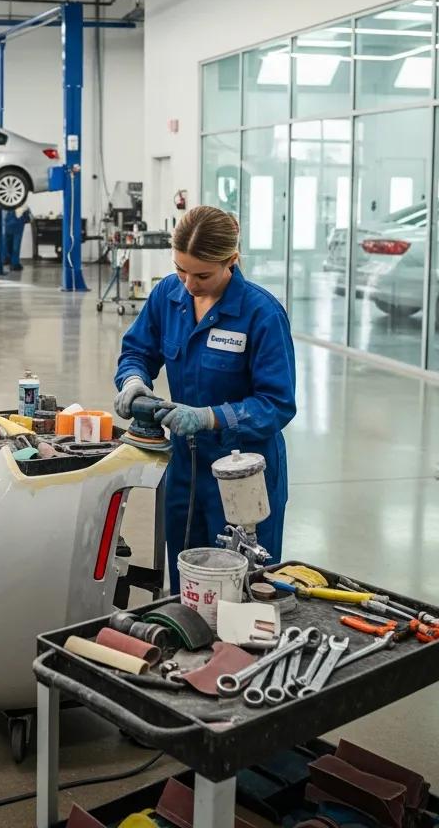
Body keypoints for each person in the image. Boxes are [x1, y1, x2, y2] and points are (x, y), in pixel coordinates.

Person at [113, 206, 296, 591]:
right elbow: (137, 351)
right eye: (181, 269)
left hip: (244, 473)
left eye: (202, 275)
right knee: (188, 580)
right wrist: (133, 381)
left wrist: (211, 417)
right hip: (185, 466)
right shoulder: (167, 295)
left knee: (242, 587)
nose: (189, 284)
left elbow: (277, 403)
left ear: (231, 261)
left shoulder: (261, 315)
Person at [2, 205, 31, 270]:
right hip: (15, 218)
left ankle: (12, 262)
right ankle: (14, 263)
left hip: (11, 218)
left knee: (10, 243)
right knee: (15, 244)